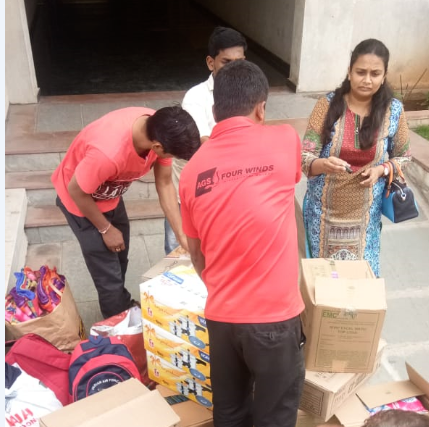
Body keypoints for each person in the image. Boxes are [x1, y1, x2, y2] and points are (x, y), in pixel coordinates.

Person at [179, 60, 305, 427]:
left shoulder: (191, 172)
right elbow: (292, 175)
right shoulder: (284, 140)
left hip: (222, 317)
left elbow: (196, 250)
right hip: (275, 319)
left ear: (215, 110)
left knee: (230, 413)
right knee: (275, 415)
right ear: (261, 107)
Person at [52, 106, 200, 318]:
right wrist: (105, 228)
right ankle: (117, 332)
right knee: (108, 275)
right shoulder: (108, 153)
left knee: (120, 256)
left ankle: (121, 304)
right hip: (80, 201)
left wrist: (180, 235)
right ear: (157, 147)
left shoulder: (162, 127)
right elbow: (76, 191)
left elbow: (165, 183)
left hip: (109, 195)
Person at [301, 39, 411, 277]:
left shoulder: (393, 110)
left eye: (375, 73)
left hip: (366, 219)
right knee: (324, 282)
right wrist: (322, 164)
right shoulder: (327, 105)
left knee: (361, 284)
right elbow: (304, 156)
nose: (367, 80)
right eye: (361, 72)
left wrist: (382, 170)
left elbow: (404, 157)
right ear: (349, 72)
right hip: (323, 217)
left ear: (384, 76)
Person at [164, 26, 247, 254]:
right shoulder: (195, 97)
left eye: (238, 62)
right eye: (226, 62)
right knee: (181, 254)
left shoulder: (249, 95)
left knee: (222, 255)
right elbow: (205, 143)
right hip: (193, 194)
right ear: (211, 63)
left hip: (229, 192)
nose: (233, 69)